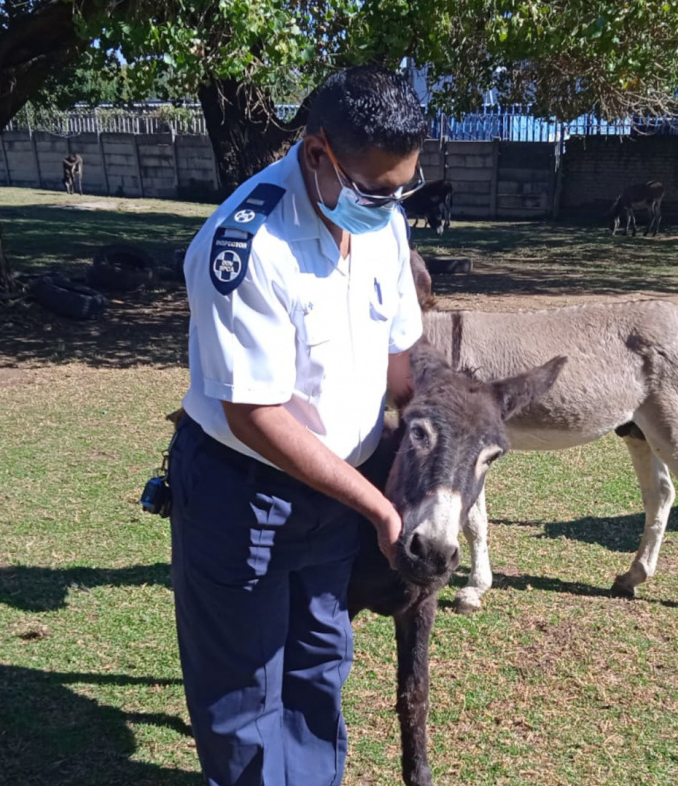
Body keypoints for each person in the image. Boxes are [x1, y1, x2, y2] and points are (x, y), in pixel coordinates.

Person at [169, 65, 428, 786]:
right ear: (317, 153)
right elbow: (253, 414)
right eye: (376, 188)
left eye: (403, 185)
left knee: (319, 665)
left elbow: (402, 364)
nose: (390, 203)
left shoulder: (383, 220)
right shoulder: (246, 247)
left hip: (337, 496)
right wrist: (378, 505)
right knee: (246, 692)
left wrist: (441, 449)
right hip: (244, 493)